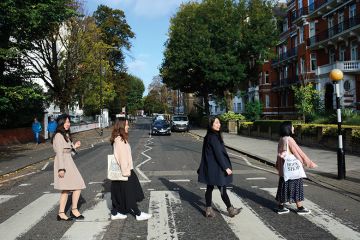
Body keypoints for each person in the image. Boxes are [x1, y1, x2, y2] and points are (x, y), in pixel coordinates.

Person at [197, 116, 241, 218]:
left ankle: (208, 210)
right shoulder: (214, 137)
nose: (219, 125)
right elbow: (218, 154)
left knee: (209, 188)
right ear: (211, 124)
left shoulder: (209, 136)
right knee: (222, 189)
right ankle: (230, 210)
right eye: (216, 123)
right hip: (217, 169)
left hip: (210, 167)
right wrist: (226, 167)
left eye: (219, 123)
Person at [110, 118, 152, 221]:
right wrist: (126, 172)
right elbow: (122, 157)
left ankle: (115, 213)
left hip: (122, 170)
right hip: (125, 170)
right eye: (126, 125)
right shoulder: (120, 140)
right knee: (130, 193)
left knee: (118, 193)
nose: (128, 126)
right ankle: (138, 214)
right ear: (121, 126)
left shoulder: (119, 138)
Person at [275, 121, 317, 215]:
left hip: (284, 170)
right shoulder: (289, 139)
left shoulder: (281, 139)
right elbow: (299, 152)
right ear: (288, 129)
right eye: (292, 126)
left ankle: (280, 207)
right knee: (297, 187)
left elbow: (279, 154)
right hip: (293, 169)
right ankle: (300, 208)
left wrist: (278, 165)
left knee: (283, 187)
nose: (293, 128)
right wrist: (308, 162)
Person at [52, 114, 86, 221]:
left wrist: (74, 146)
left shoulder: (65, 135)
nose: (68, 124)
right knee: (68, 188)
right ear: (61, 123)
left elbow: (68, 152)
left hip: (68, 162)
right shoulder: (58, 136)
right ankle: (65, 212)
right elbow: (59, 153)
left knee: (75, 186)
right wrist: (61, 169)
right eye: (66, 122)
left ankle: (69, 211)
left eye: (69, 122)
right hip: (63, 164)